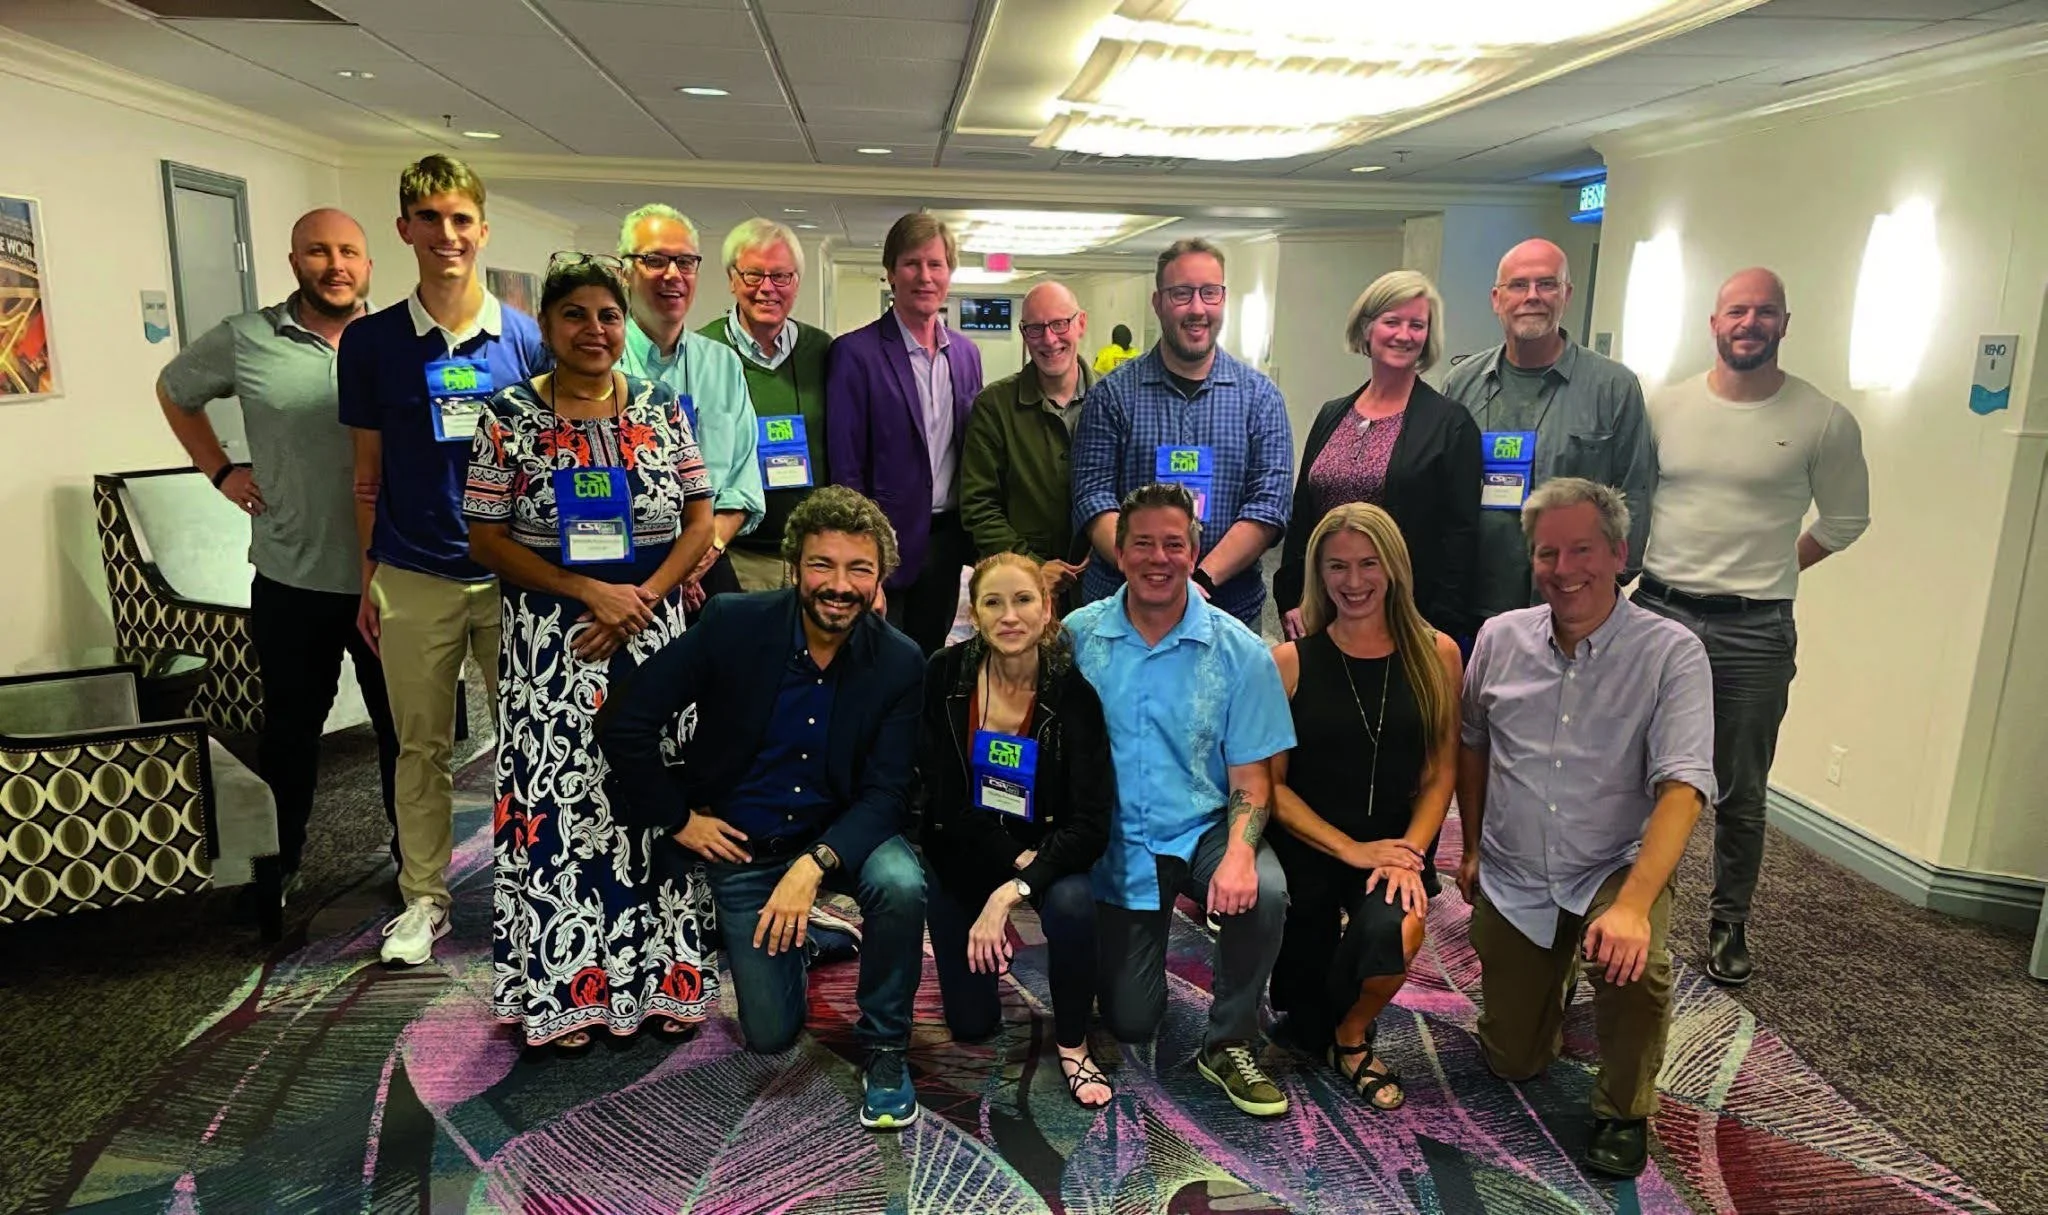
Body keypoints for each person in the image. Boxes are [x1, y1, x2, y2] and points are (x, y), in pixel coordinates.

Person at [596, 486, 928, 1130]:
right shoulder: (731, 623)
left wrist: (815, 865)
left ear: (880, 578)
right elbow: (625, 721)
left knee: (901, 881)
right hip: (746, 846)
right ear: (793, 566)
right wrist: (678, 818)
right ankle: (814, 941)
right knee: (772, 1035)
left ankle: (886, 1046)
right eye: (822, 565)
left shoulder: (899, 660)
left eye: (859, 569)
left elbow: (888, 792)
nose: (839, 585)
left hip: (840, 833)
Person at [462, 254, 720, 1053]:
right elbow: (485, 538)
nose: (595, 331)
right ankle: (566, 985)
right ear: (547, 325)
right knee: (566, 807)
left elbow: (700, 518)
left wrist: (636, 600)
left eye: (608, 315)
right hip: (555, 641)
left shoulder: (660, 405)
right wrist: (586, 591)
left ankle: (668, 976)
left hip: (654, 631)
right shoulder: (506, 416)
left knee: (656, 798)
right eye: (575, 315)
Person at [1456, 477, 1715, 1179]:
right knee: (1513, 1058)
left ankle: (1623, 1108)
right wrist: (1473, 845)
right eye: (1548, 553)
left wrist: (1633, 904)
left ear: (1619, 552)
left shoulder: (1671, 653)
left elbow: (1684, 787)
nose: (1564, 570)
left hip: (1611, 863)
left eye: (1582, 549)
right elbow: (1472, 742)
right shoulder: (1498, 639)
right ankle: (1555, 974)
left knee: (1637, 964)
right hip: (1514, 868)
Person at [339, 154, 547, 965]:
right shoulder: (372, 342)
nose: (447, 235)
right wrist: (369, 580)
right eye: (430, 220)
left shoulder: (526, 339)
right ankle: (424, 898)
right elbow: (366, 475)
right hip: (412, 574)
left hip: (510, 581)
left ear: (483, 230)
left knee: (527, 741)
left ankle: (533, 891)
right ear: (405, 231)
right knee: (418, 746)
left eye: (461, 219)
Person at [1636, 268, 1870, 986]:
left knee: (1740, 786)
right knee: (1632, 767)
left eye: (1765, 311)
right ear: (1714, 322)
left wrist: (1774, 569)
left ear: (1785, 324)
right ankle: (1629, 900)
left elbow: (1846, 521)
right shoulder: (1665, 407)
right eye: (1737, 310)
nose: (1750, 322)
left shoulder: (1821, 419)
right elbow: (1635, 498)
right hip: (1658, 609)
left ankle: (1729, 919)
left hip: (1754, 628)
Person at [157, 207, 400, 897]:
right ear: (294, 261)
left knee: (403, 734)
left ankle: (414, 863)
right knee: (290, 732)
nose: (336, 264)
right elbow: (176, 392)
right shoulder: (246, 338)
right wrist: (220, 469)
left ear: (369, 264)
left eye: (349, 251)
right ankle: (281, 862)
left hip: (388, 576)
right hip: (293, 576)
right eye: (318, 251)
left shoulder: (395, 339)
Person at [1067, 483, 1296, 1118]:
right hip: (1119, 839)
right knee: (1133, 1021)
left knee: (1266, 889)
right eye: (1143, 542)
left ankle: (1229, 1040)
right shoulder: (1077, 638)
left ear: (1195, 553)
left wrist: (1241, 857)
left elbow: (1252, 782)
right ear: (1119, 550)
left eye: (1174, 544)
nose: (1158, 558)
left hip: (1204, 825)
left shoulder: (1241, 652)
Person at [1267, 503, 1461, 1110]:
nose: (1353, 582)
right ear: (1317, 574)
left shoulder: (1438, 654)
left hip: (1394, 845)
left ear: (1395, 567)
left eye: (1368, 564)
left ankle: (1353, 1038)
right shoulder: (1291, 662)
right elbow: (1270, 788)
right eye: (1337, 567)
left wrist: (1409, 857)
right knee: (1302, 1017)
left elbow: (1440, 773)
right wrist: (1350, 848)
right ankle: (1322, 1020)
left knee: (1395, 932)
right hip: (1312, 844)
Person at [918, 553, 1115, 1106]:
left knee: (1074, 904)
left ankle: (1074, 1043)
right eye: (994, 602)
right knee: (972, 1026)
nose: (1010, 616)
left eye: (1024, 600)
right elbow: (941, 800)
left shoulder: (1074, 695)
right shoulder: (945, 673)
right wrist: (1010, 861)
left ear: (1047, 609)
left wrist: (1014, 888)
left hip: (1048, 852)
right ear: (975, 614)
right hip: (964, 846)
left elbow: (1091, 823)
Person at [1071, 239, 1293, 632]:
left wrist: (1199, 580)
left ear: (1223, 299)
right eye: (1181, 294)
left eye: (1210, 293)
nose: (1197, 308)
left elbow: (1268, 506)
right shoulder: (1112, 395)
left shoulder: (1260, 398)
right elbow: (1093, 497)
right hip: (1122, 616)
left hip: (1227, 612)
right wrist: (1145, 574)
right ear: (1158, 303)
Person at [1442, 238, 1655, 625]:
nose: (1533, 296)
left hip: (1573, 607)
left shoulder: (1613, 387)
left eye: (1547, 284)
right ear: (1496, 298)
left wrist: (1606, 585)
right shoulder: (1462, 384)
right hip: (1475, 607)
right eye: (1519, 285)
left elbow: (1635, 493)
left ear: (1567, 294)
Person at [1275, 270, 1481, 645]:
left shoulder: (1451, 424)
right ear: (1367, 328)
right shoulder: (1332, 414)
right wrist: (1292, 597)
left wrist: (1437, 628)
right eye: (1392, 321)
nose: (1404, 334)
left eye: (1417, 325)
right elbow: (1303, 511)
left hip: (1406, 623)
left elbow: (1460, 537)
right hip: (1323, 613)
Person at [827, 213, 984, 655]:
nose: (925, 276)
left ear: (949, 273)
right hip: (883, 544)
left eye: (936, 264)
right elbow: (846, 468)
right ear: (891, 272)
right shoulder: (854, 354)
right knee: (874, 662)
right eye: (912, 264)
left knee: (931, 659)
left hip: (946, 544)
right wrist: (863, 558)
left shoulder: (967, 355)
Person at [616, 204, 763, 614]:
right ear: (624, 272)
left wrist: (706, 547)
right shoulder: (597, 364)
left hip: (708, 563)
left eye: (685, 261)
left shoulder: (722, 364)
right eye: (654, 260)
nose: (672, 275)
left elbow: (744, 475)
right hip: (623, 569)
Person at [700, 218, 834, 592]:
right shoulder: (703, 352)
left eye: (781, 276)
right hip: (734, 553)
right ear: (731, 278)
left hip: (812, 554)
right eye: (753, 275)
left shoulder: (825, 351)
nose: (767, 289)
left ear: (797, 282)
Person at [957, 281, 1096, 606]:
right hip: (1018, 592)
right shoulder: (995, 406)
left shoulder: (1111, 400)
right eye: (1035, 329)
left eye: (1060, 324)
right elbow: (979, 507)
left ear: (1081, 324)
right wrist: (1031, 567)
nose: (1049, 339)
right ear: (1023, 333)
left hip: (1100, 589)